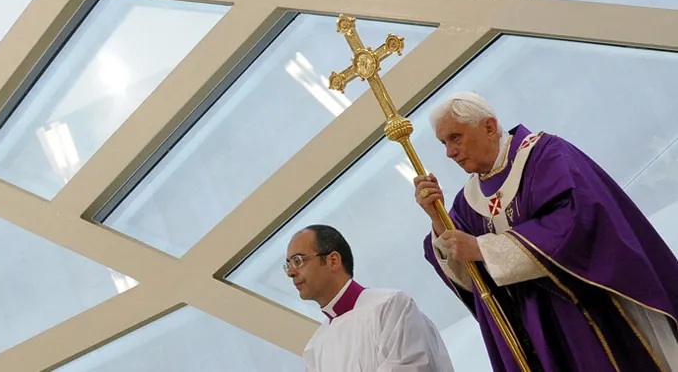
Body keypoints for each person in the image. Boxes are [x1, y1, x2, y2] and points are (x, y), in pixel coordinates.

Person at [414, 92, 678, 372]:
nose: (449, 152)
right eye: (444, 143)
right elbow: (472, 278)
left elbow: (576, 223)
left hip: (587, 313)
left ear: (489, 127)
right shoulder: (467, 202)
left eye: (455, 137)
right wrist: (439, 219)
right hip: (532, 330)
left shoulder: (546, 156)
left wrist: (483, 248)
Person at [287, 223, 455, 371]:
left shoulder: (391, 306)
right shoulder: (314, 348)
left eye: (298, 261)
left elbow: (412, 367)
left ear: (333, 261)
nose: (291, 272)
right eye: (288, 265)